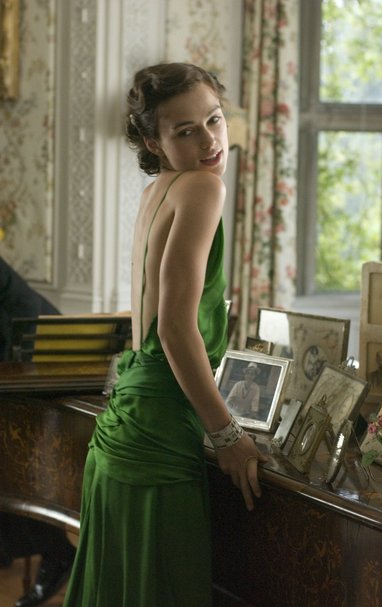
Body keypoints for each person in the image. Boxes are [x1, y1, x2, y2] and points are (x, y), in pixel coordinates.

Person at [63, 62, 266, 606]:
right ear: (153, 142)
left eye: (215, 120)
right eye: (186, 131)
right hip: (158, 436)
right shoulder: (202, 188)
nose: (210, 141)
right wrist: (227, 435)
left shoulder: (159, 191)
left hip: (123, 428)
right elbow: (175, 329)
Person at [0, 257, 76, 607]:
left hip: (42, 355)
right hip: (16, 359)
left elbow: (22, 316)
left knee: (21, 467)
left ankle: (58, 553)